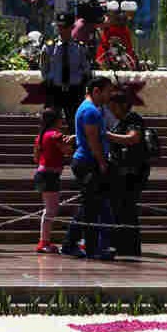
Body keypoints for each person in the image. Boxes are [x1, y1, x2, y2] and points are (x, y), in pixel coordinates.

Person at [61, 76, 118, 261]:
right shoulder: (90, 111)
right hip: (88, 162)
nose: (110, 95)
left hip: (88, 161)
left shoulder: (90, 110)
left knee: (89, 206)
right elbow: (93, 140)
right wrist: (101, 161)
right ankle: (91, 249)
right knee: (91, 208)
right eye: (107, 91)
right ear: (96, 91)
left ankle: (71, 243)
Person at [103, 93, 150, 256]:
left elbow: (133, 138)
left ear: (121, 105)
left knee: (126, 210)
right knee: (121, 210)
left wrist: (107, 135)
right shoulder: (122, 121)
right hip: (122, 172)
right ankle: (122, 244)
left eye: (112, 106)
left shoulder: (132, 119)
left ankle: (129, 247)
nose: (111, 109)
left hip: (130, 174)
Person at [34, 108, 70, 254]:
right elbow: (67, 151)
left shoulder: (40, 136)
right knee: (51, 210)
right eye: (60, 118)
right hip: (50, 175)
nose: (62, 120)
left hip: (42, 172)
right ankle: (44, 242)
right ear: (55, 120)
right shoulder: (55, 135)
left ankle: (45, 241)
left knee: (49, 209)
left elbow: (36, 158)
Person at [44, 12, 90, 114]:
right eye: (59, 27)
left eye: (65, 27)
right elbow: (44, 67)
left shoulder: (80, 47)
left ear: (72, 27)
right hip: (55, 89)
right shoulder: (50, 46)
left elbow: (86, 69)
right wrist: (49, 80)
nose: (62, 30)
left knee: (73, 122)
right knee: (52, 120)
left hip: (74, 90)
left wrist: (80, 83)